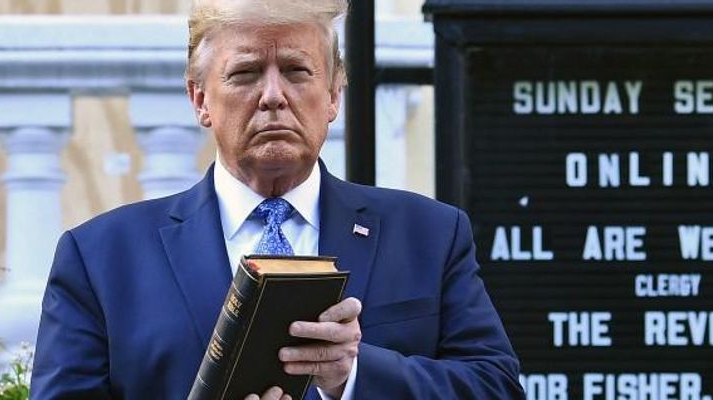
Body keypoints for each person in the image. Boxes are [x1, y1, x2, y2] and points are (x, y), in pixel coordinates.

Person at [29, 0, 522, 398]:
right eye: (245, 73)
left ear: (334, 95)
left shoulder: (429, 235)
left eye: (295, 70)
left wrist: (352, 376)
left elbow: (495, 386)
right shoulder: (101, 258)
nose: (272, 95)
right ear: (200, 99)